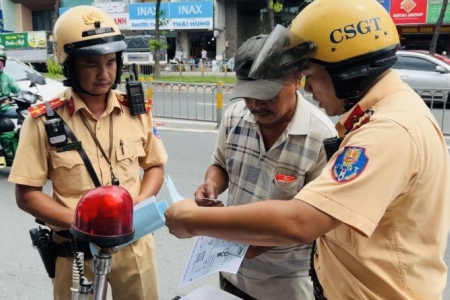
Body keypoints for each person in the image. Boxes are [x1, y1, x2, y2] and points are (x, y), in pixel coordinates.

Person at [165, 0, 450, 299]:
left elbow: (301, 220)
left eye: (311, 76)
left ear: (345, 70)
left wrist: (193, 220)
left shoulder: (389, 131)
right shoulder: (377, 118)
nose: (309, 90)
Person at [8, 6, 167, 300]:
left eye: (110, 62)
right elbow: (27, 194)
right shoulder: (43, 121)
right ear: (70, 67)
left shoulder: (136, 110)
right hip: (75, 252)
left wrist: (139, 206)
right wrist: (82, 224)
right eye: (92, 64)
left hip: (133, 246)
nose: (104, 74)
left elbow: (155, 166)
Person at [194, 34, 335, 300]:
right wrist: (212, 183)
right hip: (231, 272)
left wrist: (258, 244)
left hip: (287, 285)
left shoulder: (321, 138)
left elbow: (315, 222)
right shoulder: (235, 117)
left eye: (266, 95)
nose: (256, 105)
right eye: (249, 95)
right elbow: (220, 165)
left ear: (296, 79)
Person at [0, 49, 21, 167]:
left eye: (0, 62)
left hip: (5, 109)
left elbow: (17, 90)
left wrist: (28, 95)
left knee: (26, 113)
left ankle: (24, 138)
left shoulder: (7, 77)